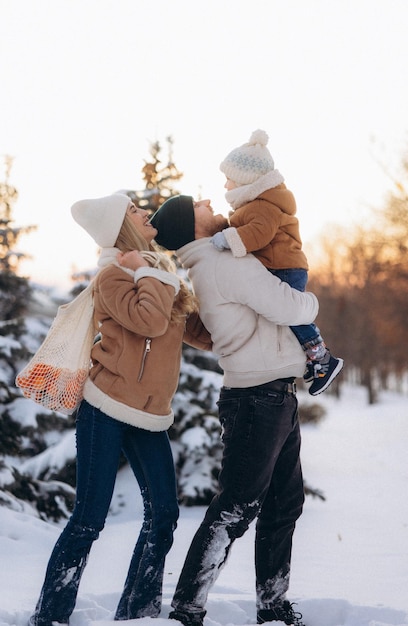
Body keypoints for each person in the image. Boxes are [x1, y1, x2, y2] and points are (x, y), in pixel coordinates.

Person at [28, 193, 211, 626]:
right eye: (134, 212)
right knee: (89, 519)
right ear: (120, 229)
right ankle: (49, 616)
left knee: (164, 514)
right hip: (105, 410)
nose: (146, 213)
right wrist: (145, 269)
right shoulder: (113, 276)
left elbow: (197, 333)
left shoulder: (158, 273)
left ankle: (138, 614)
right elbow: (148, 321)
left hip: (149, 417)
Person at [150, 195, 320, 626]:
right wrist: (311, 305)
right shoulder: (225, 263)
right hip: (257, 399)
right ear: (194, 225)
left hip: (271, 394)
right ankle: (187, 609)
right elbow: (288, 306)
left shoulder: (211, 263)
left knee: (284, 504)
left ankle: (273, 604)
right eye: (199, 204)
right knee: (236, 508)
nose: (209, 200)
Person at [210, 129, 343, 396]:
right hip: (281, 265)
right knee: (282, 315)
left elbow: (258, 234)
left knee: (290, 313)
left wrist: (229, 238)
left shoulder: (263, 205)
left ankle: (322, 360)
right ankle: (311, 359)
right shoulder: (257, 204)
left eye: (229, 179)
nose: (225, 186)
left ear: (246, 179)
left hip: (284, 267)